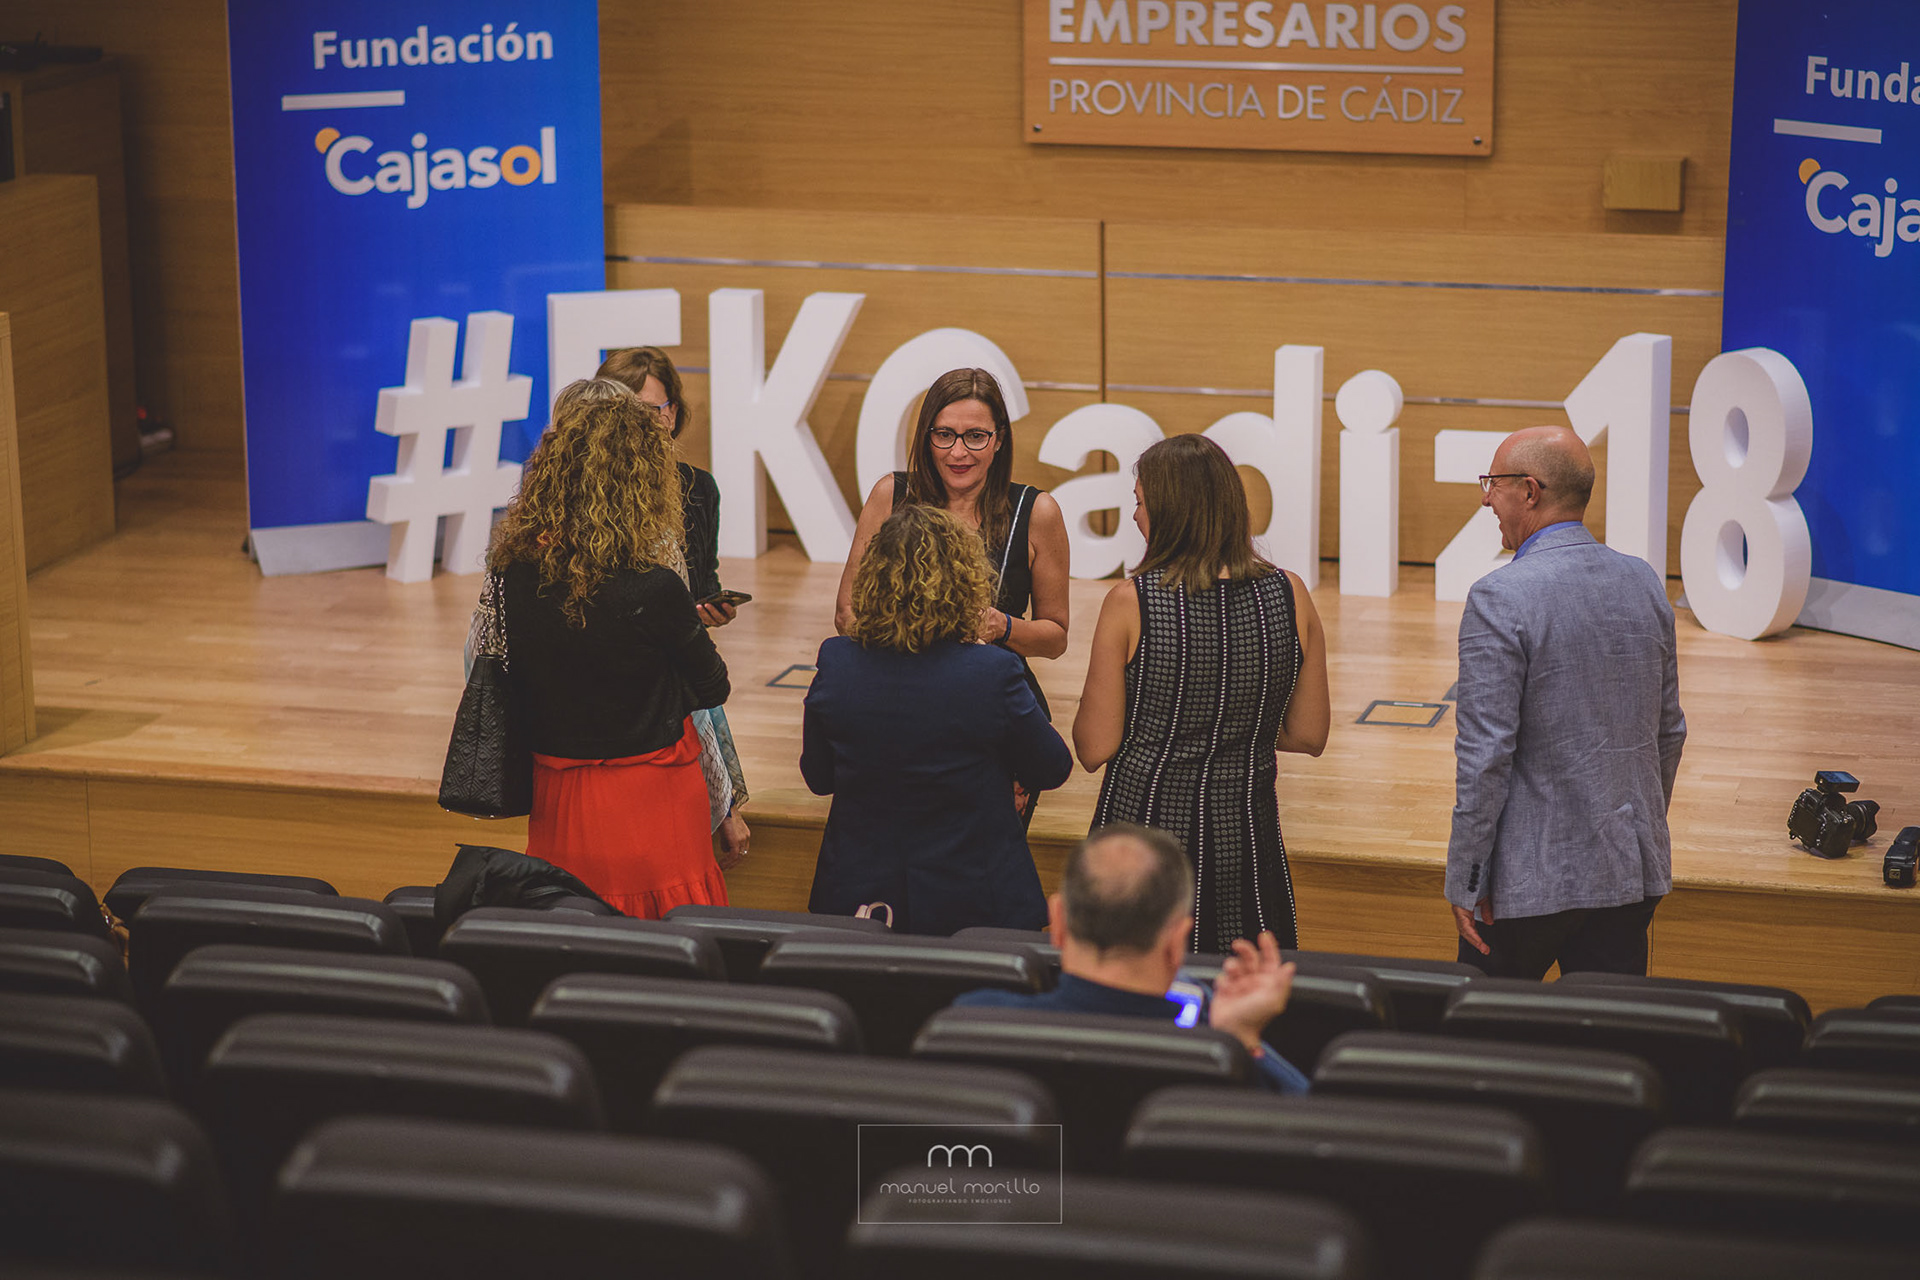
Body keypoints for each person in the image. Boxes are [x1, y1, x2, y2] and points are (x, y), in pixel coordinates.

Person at [488, 378, 737, 917]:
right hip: (651, 793)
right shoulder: (654, 588)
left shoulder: (513, 574)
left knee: (572, 932)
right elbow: (713, 685)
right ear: (641, 479)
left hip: (558, 796)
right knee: (665, 938)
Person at [1073, 434, 1331, 955]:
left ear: (1170, 512)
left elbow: (1095, 746)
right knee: (1237, 983)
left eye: (1140, 503)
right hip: (1245, 840)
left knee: (1134, 981)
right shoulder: (1290, 593)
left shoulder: (1131, 602)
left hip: (1143, 839)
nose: (1135, 517)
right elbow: (1308, 734)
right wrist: (1234, 726)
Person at [1448, 425, 1686, 979]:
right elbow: (1669, 732)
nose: (1486, 498)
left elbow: (1484, 758)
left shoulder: (1498, 597)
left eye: (1493, 484)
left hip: (1524, 886)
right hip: (1629, 873)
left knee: (1486, 1028)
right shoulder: (1644, 581)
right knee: (1606, 1031)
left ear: (1529, 491)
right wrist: (1638, 832)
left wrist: (1466, 876)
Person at [803, 504, 1073, 935]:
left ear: (872, 577)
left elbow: (819, 777)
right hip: (974, 902)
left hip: (859, 896)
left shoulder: (837, 662)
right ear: (967, 580)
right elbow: (1053, 767)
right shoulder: (992, 672)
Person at [835, 368, 1070, 823]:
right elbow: (847, 613)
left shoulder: (1037, 511)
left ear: (1000, 439)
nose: (958, 452)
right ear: (926, 436)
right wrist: (920, 640)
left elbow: (1055, 637)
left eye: (975, 436)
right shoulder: (891, 495)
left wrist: (1001, 625)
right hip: (895, 705)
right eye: (944, 434)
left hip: (990, 713)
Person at [954, 823, 1309, 1094]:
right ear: (1176, 944)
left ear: (1058, 923)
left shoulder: (973, 1021)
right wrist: (1239, 1039)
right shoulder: (1220, 1060)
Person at [595, 347, 752, 867]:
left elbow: (702, 582)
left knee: (694, 676)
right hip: (609, 665)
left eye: (654, 410)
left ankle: (721, 811)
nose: (645, 423)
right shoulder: (584, 492)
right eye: (627, 411)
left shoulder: (697, 488)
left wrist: (707, 610)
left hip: (672, 661)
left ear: (673, 413)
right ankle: (723, 810)